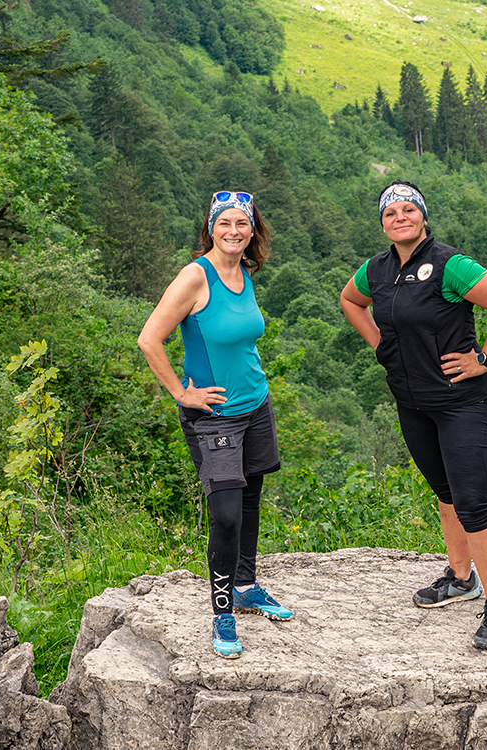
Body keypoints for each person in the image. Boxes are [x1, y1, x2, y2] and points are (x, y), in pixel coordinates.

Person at [340, 180, 487, 649]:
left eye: (408, 210)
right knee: (445, 493)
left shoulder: (450, 265)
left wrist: (484, 358)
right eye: (390, 213)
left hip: (462, 402)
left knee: (473, 503)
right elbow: (349, 300)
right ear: (382, 223)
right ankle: (461, 578)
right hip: (413, 402)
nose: (399, 217)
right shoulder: (377, 270)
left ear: (423, 217)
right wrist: (380, 342)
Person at [138, 190, 291, 659]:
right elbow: (149, 339)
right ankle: (221, 612)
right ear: (210, 228)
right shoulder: (195, 277)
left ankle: (245, 586)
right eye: (224, 223)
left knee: (250, 501)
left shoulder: (242, 271)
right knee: (225, 514)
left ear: (252, 231)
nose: (233, 231)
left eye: (242, 224)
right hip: (215, 416)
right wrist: (183, 394)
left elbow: (239, 341)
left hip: (256, 405)